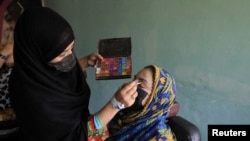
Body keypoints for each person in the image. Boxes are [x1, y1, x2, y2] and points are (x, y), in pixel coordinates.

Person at [9, 7, 138, 141]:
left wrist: (83, 62)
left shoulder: (39, 70)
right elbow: (78, 136)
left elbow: (57, 76)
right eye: (62, 54)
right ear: (38, 54)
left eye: (72, 48)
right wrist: (116, 104)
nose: (70, 56)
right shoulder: (34, 101)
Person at [105, 65, 177, 141]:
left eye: (141, 84)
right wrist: (114, 105)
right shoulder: (123, 115)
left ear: (157, 100)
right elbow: (94, 133)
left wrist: (115, 104)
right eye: (134, 79)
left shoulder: (160, 137)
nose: (130, 85)